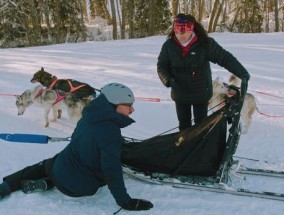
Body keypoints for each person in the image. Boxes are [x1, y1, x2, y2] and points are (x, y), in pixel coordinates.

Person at [0, 83, 153, 212]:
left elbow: (78, 139)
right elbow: (112, 171)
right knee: (88, 170)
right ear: (115, 105)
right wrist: (125, 202)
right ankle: (49, 183)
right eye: (129, 105)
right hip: (80, 188)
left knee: (46, 165)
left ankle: (6, 187)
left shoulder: (88, 115)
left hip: (59, 168)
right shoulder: (110, 133)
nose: (132, 110)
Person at [157, 13, 250, 131]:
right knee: (184, 125)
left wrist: (242, 73)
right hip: (180, 92)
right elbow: (161, 65)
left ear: (192, 29)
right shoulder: (169, 46)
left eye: (184, 31)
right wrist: (167, 79)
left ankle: (200, 147)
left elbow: (224, 58)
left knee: (201, 125)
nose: (180, 34)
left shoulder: (205, 44)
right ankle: (186, 147)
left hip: (200, 93)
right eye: (177, 30)